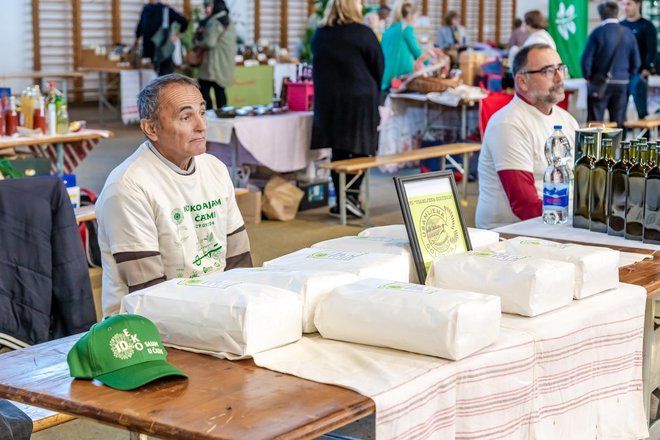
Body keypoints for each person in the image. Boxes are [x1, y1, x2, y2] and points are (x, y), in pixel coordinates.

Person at [96, 74, 252, 316]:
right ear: (151, 128)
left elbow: (239, 260)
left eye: (202, 112)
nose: (201, 125)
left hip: (215, 309)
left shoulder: (215, 168)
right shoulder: (128, 187)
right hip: (148, 326)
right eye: (186, 117)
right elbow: (148, 292)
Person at [476, 44, 579, 230]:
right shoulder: (508, 123)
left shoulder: (568, 121)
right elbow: (524, 206)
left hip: (559, 224)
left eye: (561, 68)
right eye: (548, 71)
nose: (559, 77)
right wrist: (579, 218)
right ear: (522, 81)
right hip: (510, 235)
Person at [310, 0, 384, 218]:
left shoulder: (321, 34)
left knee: (339, 148)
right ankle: (351, 196)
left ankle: (344, 200)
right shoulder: (363, 33)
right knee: (363, 148)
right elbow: (378, 64)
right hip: (360, 98)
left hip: (330, 100)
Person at [581, 1, 640, 129]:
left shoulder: (597, 33)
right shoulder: (628, 33)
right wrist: (627, 77)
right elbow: (636, 63)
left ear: (601, 15)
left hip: (599, 83)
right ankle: (618, 148)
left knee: (595, 124)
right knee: (618, 123)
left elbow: (586, 61)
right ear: (617, 13)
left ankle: (596, 148)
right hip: (622, 83)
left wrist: (588, 77)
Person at [381, 2, 437, 92]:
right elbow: (417, 52)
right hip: (401, 78)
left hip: (385, 77)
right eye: (416, 17)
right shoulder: (406, 29)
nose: (416, 20)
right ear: (410, 16)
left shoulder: (388, 30)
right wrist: (431, 63)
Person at [196, 0, 237, 110]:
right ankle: (223, 115)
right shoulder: (227, 19)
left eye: (208, 5)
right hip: (223, 64)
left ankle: (208, 117)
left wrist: (198, 42)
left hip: (213, 65)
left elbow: (209, 42)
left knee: (204, 90)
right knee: (220, 91)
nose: (206, 9)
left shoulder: (215, 21)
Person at [620, 0, 657, 120]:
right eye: (623, 4)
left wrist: (646, 69)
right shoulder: (621, 25)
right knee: (620, 113)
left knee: (642, 112)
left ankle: (644, 138)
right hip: (622, 75)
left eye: (629, 4)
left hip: (639, 75)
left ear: (638, 4)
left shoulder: (647, 26)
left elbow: (652, 50)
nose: (625, 7)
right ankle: (622, 138)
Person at [135, 0, 189, 76]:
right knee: (165, 78)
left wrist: (136, 41)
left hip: (148, 51)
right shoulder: (167, 10)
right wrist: (176, 35)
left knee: (151, 77)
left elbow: (139, 28)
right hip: (163, 50)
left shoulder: (146, 9)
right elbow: (184, 22)